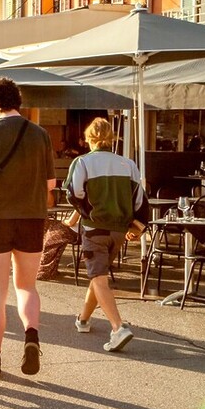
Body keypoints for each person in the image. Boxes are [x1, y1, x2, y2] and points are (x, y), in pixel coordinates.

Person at [0, 77, 55, 378]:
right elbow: (50, 183)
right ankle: (31, 336)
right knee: (27, 286)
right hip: (32, 217)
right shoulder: (40, 134)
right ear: (16, 101)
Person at [66, 117, 144, 353]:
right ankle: (83, 319)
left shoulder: (82, 162)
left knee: (99, 277)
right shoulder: (128, 164)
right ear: (112, 139)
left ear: (89, 139)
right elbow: (139, 199)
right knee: (97, 275)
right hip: (119, 230)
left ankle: (117, 327)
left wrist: (82, 212)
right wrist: (136, 227)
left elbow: (73, 192)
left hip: (94, 227)